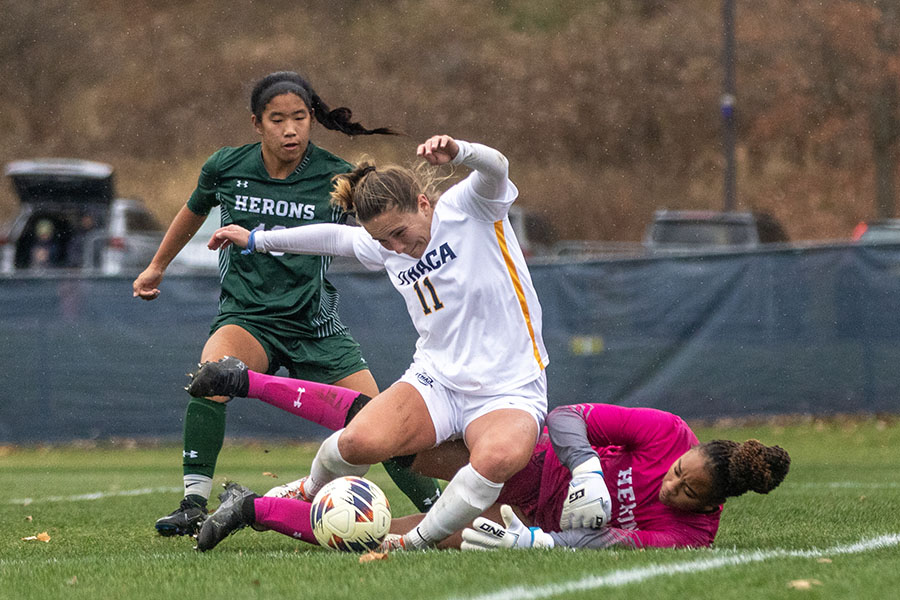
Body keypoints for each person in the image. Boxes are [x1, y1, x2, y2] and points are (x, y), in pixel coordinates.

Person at [132, 71, 442, 537]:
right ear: (257, 123)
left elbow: (380, 217)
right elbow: (192, 210)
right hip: (248, 317)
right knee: (212, 374)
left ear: (312, 119)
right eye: (278, 119)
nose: (291, 129)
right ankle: (193, 503)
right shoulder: (226, 166)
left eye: (300, 117)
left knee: (382, 423)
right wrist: (157, 266)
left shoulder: (335, 175)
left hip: (315, 324)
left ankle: (440, 510)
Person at [208, 134, 553, 550]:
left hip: (509, 388)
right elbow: (333, 239)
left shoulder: (470, 209)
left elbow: (497, 164)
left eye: (399, 233)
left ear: (424, 203)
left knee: (496, 459)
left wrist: (460, 152)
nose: (396, 248)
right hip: (437, 380)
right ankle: (309, 489)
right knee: (357, 442)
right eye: (383, 241)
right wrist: (258, 240)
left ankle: (413, 543)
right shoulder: (387, 244)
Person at [183, 363, 789, 552]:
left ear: (713, 504)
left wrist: (541, 545)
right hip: (529, 460)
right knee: (382, 433)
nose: (675, 486)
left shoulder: (692, 535)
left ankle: (250, 509)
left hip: (524, 524)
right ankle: (248, 382)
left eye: (688, 491)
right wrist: (584, 470)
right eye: (682, 472)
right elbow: (569, 417)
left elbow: (612, 546)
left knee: (383, 538)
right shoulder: (667, 433)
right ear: (688, 451)